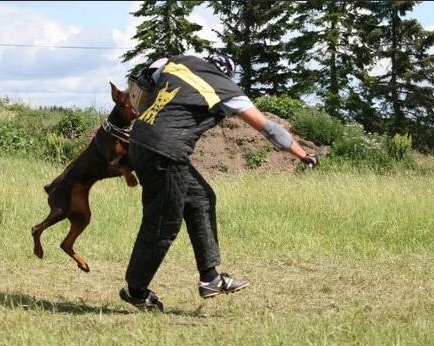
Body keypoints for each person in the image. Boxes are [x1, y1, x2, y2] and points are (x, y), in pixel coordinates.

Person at [120, 52, 319, 311]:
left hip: (139, 142)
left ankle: (210, 278)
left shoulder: (180, 62)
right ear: (227, 74)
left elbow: (148, 74)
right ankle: (135, 290)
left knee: (201, 198)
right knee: (162, 224)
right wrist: (304, 155)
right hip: (165, 152)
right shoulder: (225, 88)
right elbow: (269, 129)